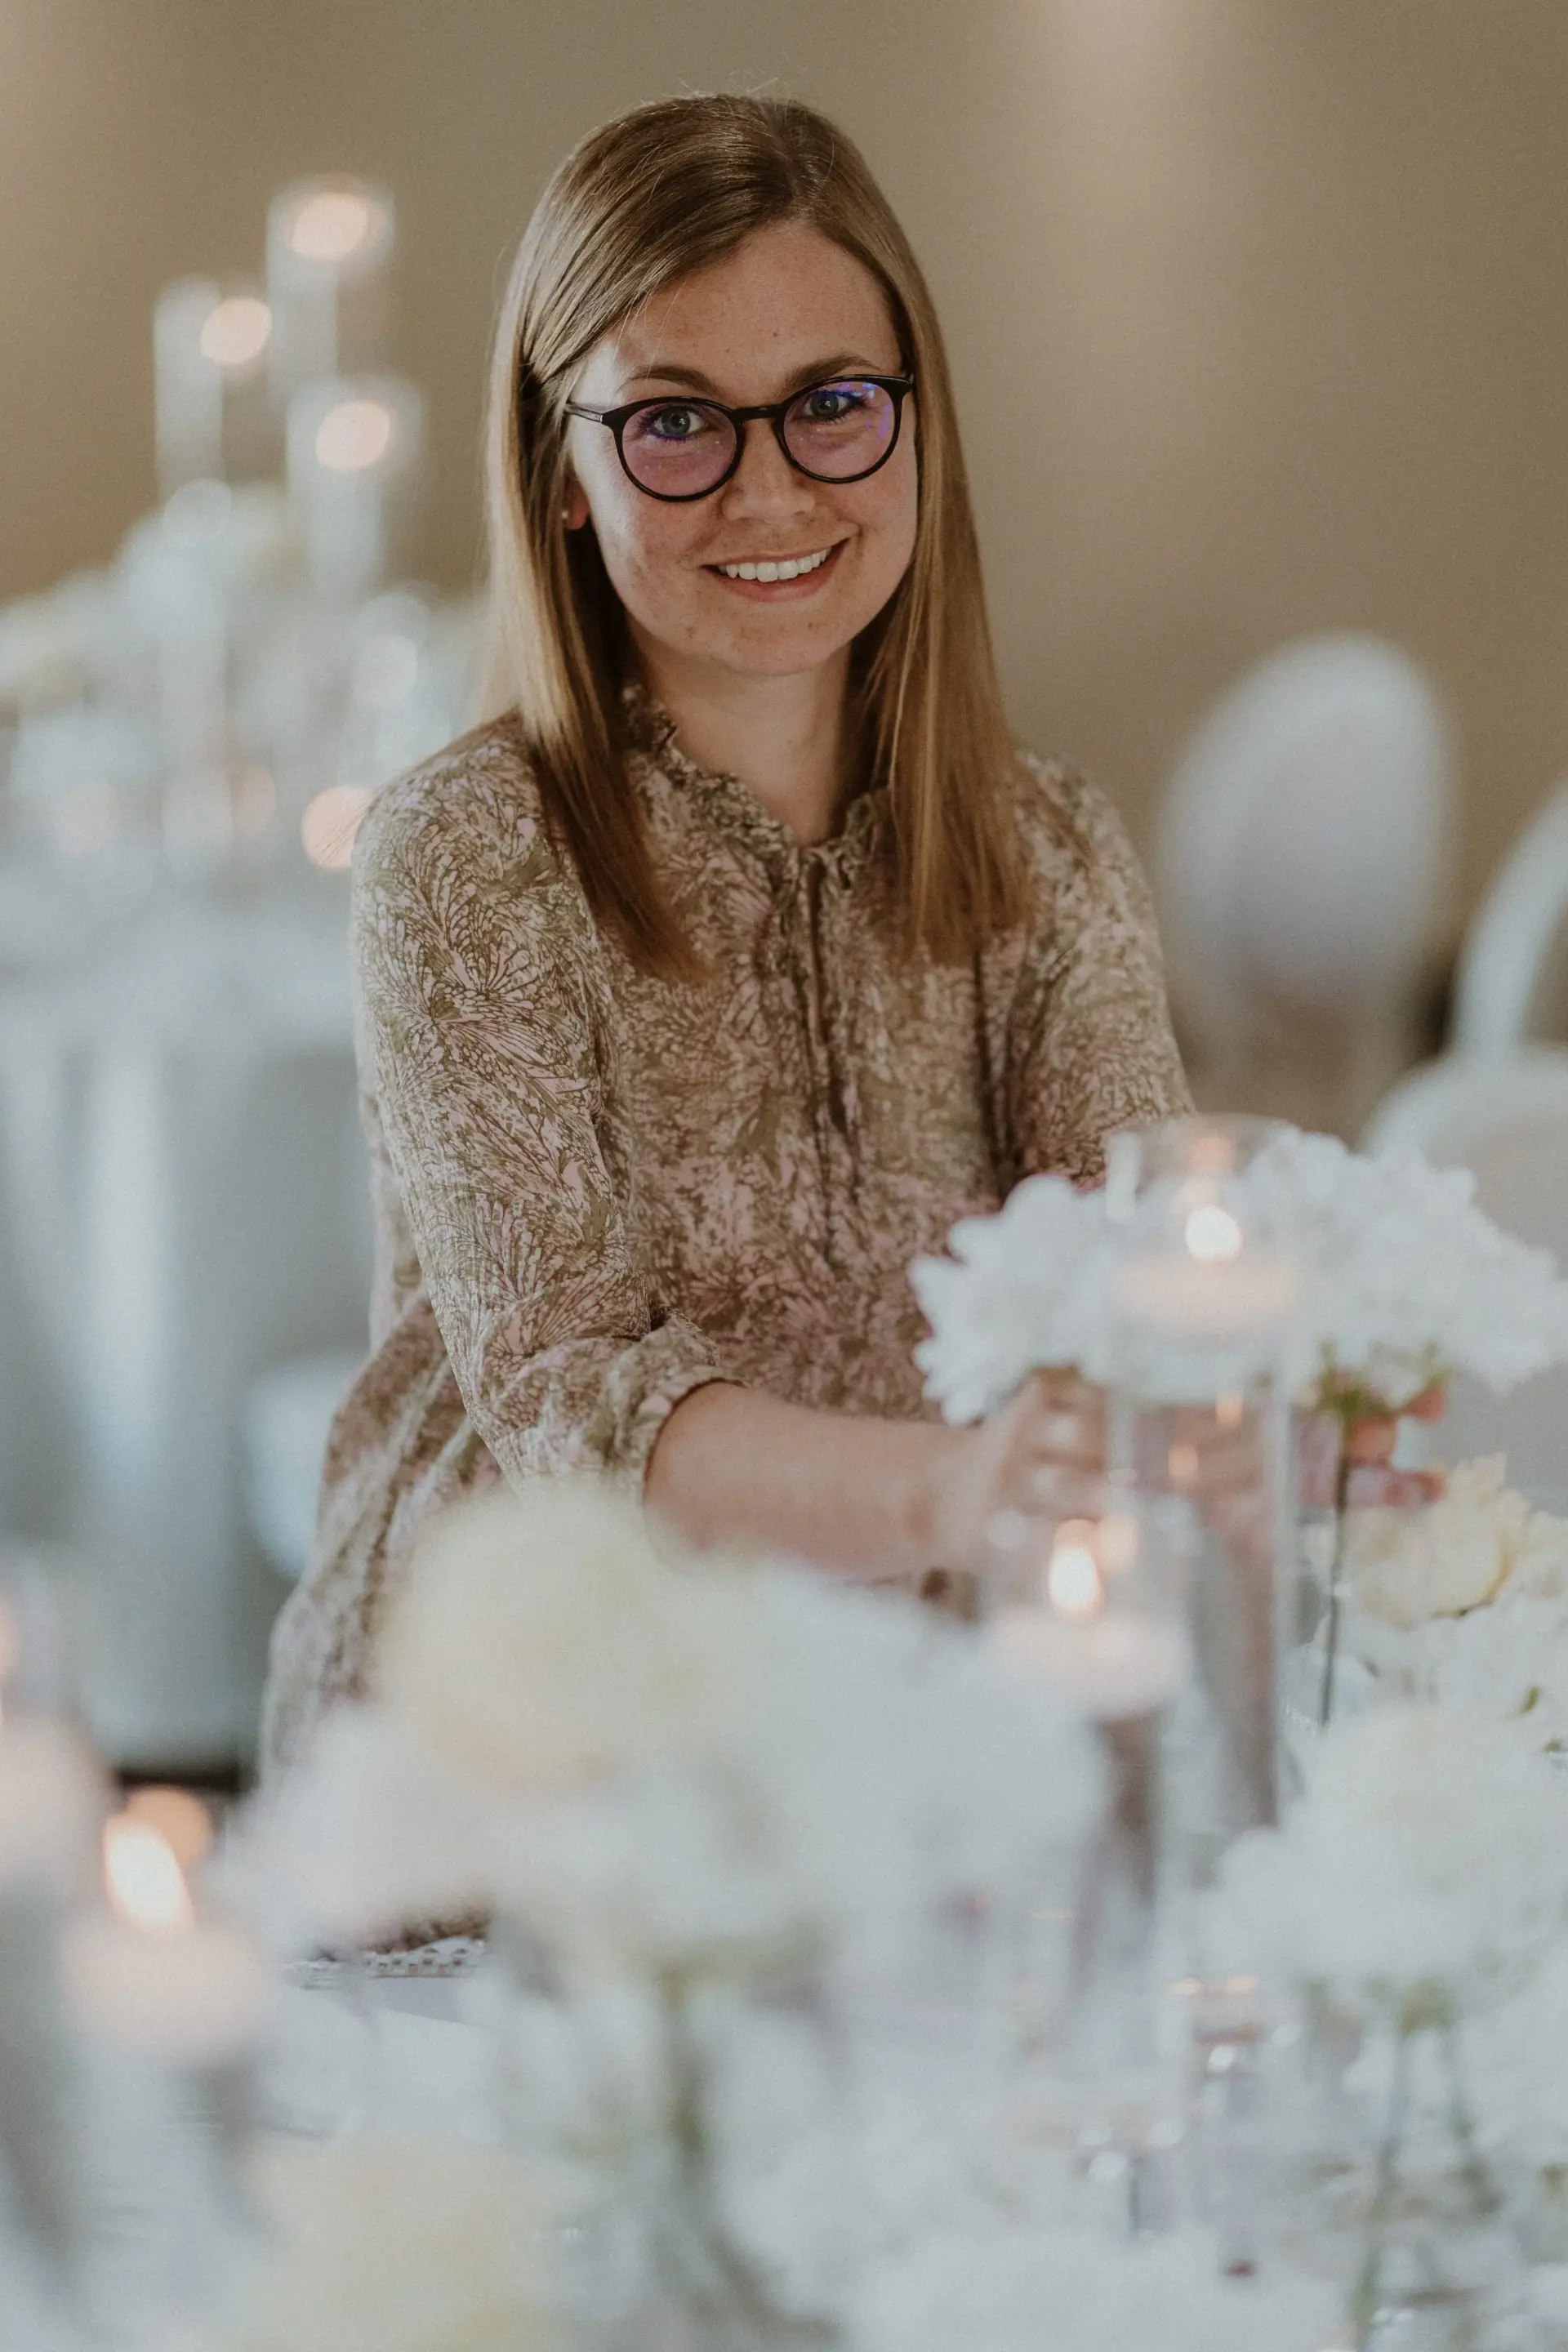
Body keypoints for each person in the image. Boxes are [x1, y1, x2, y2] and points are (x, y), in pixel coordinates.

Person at [261, 92, 1193, 1774]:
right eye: (678, 424)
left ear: (915, 430)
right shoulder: (465, 856)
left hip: (922, 1728)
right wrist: (956, 1491)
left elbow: (1132, 1285)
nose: (770, 493)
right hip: (529, 1743)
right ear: (560, 469)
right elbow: (577, 1405)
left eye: (834, 405)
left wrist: (1264, 1411)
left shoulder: (1046, 846)